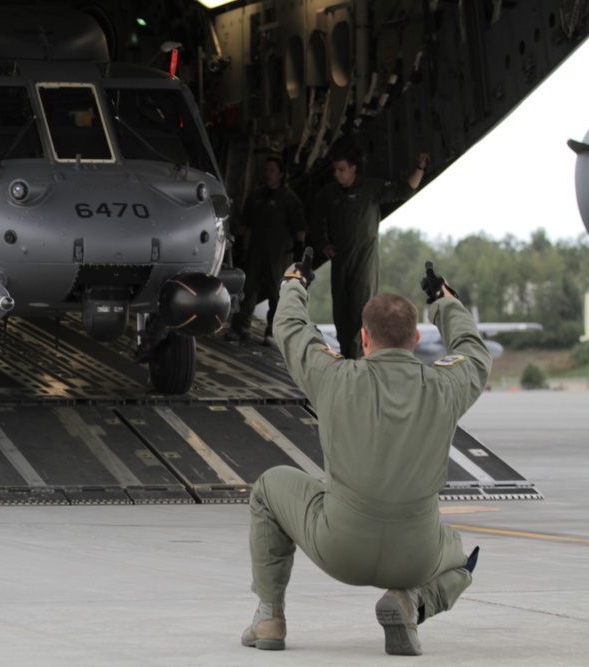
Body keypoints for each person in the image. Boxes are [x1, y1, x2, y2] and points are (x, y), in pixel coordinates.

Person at [240, 257, 491, 656]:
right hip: (417, 556)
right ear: (415, 340)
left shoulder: (334, 378)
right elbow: (475, 353)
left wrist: (294, 282)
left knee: (269, 486)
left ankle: (270, 616)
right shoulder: (447, 386)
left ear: (364, 338)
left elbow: (289, 328)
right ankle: (412, 602)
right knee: (463, 562)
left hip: (340, 549)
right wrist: (445, 303)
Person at [310, 145, 430, 358]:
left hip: (364, 262)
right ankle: (347, 357)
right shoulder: (328, 194)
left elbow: (405, 189)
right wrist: (323, 244)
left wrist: (420, 166)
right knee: (341, 314)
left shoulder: (370, 189)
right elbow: (317, 220)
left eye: (341, 169)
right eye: (334, 170)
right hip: (340, 262)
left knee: (362, 311)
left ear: (353, 169)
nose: (337, 174)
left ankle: (359, 360)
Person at [226, 156, 307, 345]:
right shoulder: (256, 196)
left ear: (281, 174)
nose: (268, 174)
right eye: (266, 170)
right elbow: (245, 222)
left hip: (278, 255)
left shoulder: (289, 199)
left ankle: (273, 331)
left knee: (276, 293)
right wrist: (238, 243)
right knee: (248, 289)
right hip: (255, 251)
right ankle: (240, 327)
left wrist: (299, 248)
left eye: (272, 170)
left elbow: (300, 226)